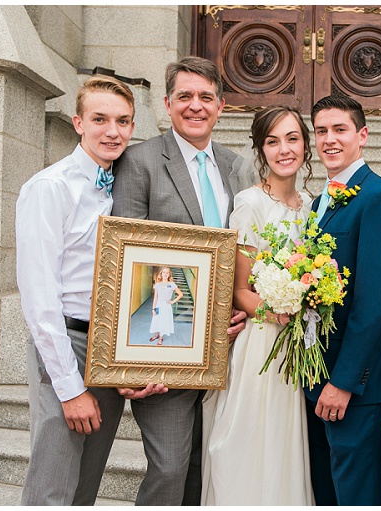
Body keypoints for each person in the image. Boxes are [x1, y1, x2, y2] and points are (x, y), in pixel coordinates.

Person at [112, 56, 248, 505]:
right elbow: (125, 259)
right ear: (167, 104)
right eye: (185, 97)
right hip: (165, 343)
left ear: (221, 106)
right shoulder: (140, 161)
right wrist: (129, 357)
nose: (195, 106)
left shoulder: (237, 166)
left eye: (205, 97)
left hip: (230, 345)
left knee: (206, 465)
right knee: (169, 467)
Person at [16, 75, 135, 505]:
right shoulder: (50, 188)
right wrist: (69, 387)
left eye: (123, 121)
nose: (112, 131)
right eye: (100, 119)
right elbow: (38, 298)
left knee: (85, 485)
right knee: (53, 484)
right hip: (66, 342)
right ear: (77, 123)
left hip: (108, 345)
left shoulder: (122, 182)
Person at [199, 106, 316, 505]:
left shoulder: (312, 204)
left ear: (305, 144)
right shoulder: (249, 203)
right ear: (260, 150)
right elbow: (238, 289)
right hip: (263, 343)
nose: (284, 149)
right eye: (273, 141)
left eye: (292, 138)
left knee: (287, 444)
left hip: (300, 343)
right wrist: (277, 311)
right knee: (250, 441)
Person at [305, 95, 381, 505]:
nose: (329, 139)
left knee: (355, 497)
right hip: (318, 377)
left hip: (357, 387)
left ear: (362, 135)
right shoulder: (320, 202)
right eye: (321, 131)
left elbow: (376, 305)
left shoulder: (379, 199)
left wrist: (344, 382)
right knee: (327, 492)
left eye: (339, 129)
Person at [149, 267, 182, 345]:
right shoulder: (157, 284)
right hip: (158, 306)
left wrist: (173, 301)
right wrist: (153, 308)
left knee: (164, 321)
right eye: (164, 272)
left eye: (167, 272)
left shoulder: (172, 284)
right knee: (156, 319)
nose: (165, 274)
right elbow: (155, 297)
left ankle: (161, 338)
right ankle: (156, 335)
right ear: (161, 273)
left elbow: (180, 294)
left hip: (166, 306)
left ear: (169, 274)